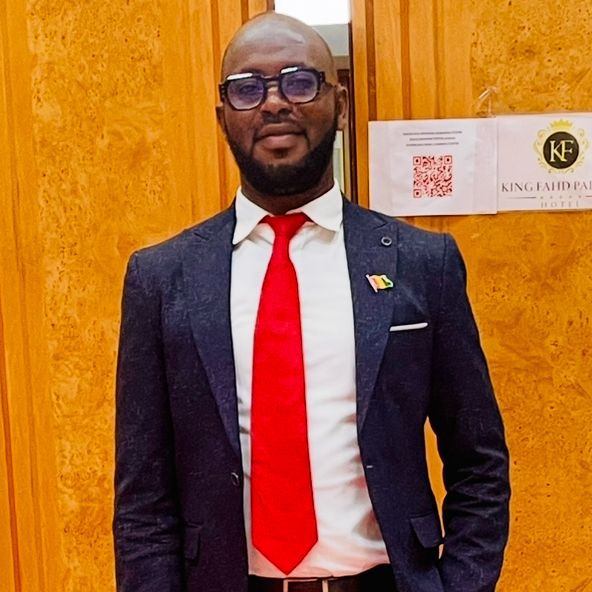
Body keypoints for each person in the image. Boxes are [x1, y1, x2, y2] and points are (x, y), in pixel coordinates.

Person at [113, 12, 510, 592]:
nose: (275, 103)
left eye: (300, 82)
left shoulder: (423, 264)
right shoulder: (161, 279)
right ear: (223, 118)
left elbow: (479, 462)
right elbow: (142, 498)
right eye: (247, 89)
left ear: (339, 104)